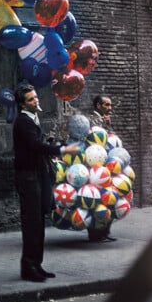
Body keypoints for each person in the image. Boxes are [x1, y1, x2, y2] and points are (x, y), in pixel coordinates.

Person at [13, 83, 81, 282]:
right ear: (22, 104)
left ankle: (36, 264)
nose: (36, 101)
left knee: (39, 221)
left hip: (36, 174)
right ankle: (28, 266)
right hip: (28, 176)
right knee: (32, 222)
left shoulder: (32, 118)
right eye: (31, 99)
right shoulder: (23, 121)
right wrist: (61, 150)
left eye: (36, 97)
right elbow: (34, 145)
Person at [88, 94, 117, 243]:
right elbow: (95, 139)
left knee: (110, 197)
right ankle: (94, 233)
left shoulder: (106, 120)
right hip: (96, 165)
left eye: (110, 105)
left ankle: (105, 230)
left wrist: (109, 124)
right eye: (106, 105)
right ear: (98, 106)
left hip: (108, 163)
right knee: (96, 198)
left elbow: (113, 139)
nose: (109, 108)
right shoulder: (92, 120)